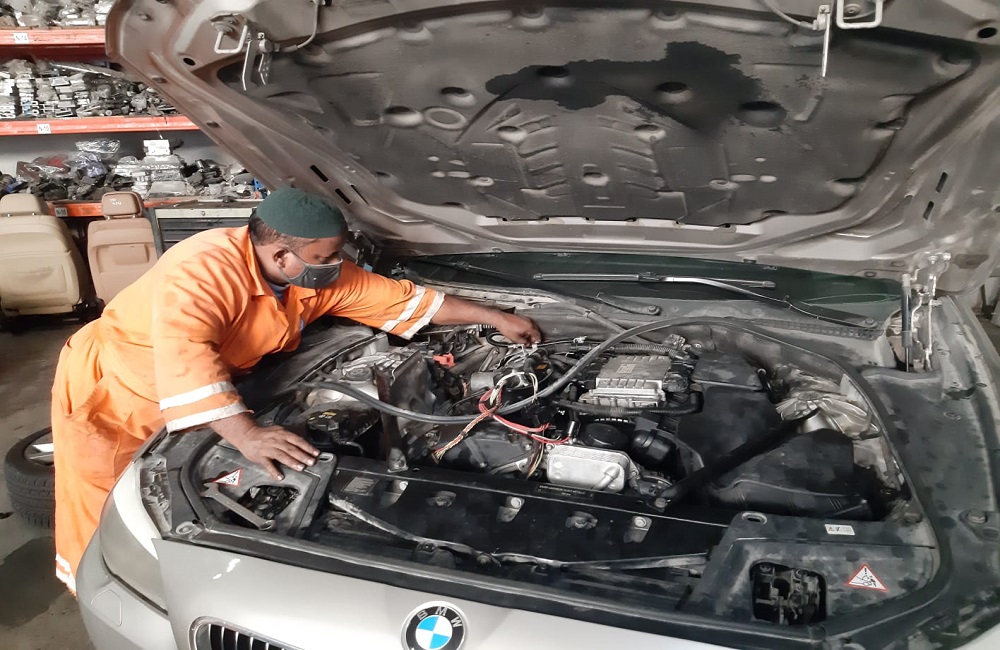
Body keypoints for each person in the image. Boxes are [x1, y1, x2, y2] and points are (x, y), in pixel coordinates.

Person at [50, 187, 541, 593]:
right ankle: (100, 588)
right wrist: (246, 435)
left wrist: (496, 317)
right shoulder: (203, 268)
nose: (335, 264)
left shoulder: (313, 273)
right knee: (112, 496)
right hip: (118, 388)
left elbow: (406, 302)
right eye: (325, 257)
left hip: (212, 384)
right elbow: (186, 355)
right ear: (281, 253)